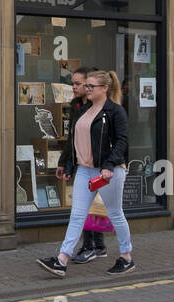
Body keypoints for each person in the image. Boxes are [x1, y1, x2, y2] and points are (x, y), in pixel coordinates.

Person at [37, 69, 135, 277]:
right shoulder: (84, 110)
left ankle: (126, 257)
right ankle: (62, 260)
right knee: (77, 215)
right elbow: (74, 140)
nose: (86, 89)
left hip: (108, 172)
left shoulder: (115, 111)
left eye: (91, 86)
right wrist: (66, 164)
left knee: (115, 213)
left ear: (105, 88)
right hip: (84, 170)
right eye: (86, 86)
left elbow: (122, 142)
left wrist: (109, 165)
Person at [62, 67, 110, 263]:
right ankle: (98, 246)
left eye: (78, 84)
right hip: (82, 164)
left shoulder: (99, 108)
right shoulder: (77, 106)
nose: (74, 87)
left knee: (90, 206)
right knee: (89, 205)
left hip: (97, 165)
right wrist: (65, 164)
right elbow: (72, 139)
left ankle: (91, 246)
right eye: (72, 83)